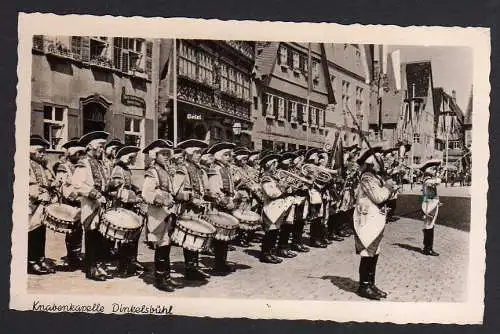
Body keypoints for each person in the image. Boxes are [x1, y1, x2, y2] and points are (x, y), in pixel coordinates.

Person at [353, 146, 397, 300]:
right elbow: (378, 197)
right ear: (372, 162)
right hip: (367, 219)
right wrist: (388, 187)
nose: (383, 161)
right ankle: (363, 286)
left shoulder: (377, 177)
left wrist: (388, 185)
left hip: (375, 217)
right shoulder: (367, 177)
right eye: (380, 158)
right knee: (368, 251)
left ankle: (371, 283)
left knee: (375, 251)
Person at [141, 139, 184, 291]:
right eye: (163, 154)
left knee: (166, 245)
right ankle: (160, 279)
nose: (166, 156)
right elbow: (146, 193)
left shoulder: (166, 170)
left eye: (168, 153)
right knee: (161, 245)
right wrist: (163, 200)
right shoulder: (152, 171)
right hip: (158, 213)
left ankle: (165, 276)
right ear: (155, 155)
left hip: (168, 212)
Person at [71, 131, 112, 281]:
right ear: (91, 147)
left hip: (101, 205)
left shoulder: (99, 163)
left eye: (103, 147)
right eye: (100, 146)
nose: (102, 149)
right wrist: (95, 194)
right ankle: (91, 269)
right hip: (90, 205)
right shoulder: (84, 163)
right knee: (92, 236)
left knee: (100, 237)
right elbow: (77, 185)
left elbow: (103, 183)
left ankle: (98, 265)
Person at [172, 139, 212, 281]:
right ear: (188, 154)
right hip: (187, 210)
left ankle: (194, 267)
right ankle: (190, 269)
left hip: (198, 210)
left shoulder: (199, 170)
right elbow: (175, 192)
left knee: (197, 238)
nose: (199, 155)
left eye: (199, 153)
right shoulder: (182, 169)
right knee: (190, 239)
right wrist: (190, 198)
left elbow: (203, 189)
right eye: (196, 153)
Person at [107, 145, 144, 278]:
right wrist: (132, 197)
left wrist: (138, 190)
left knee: (131, 237)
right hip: (121, 206)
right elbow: (115, 188)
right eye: (131, 157)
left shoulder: (126, 169)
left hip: (129, 206)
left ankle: (131, 263)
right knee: (124, 238)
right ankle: (123, 266)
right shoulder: (118, 169)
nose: (132, 160)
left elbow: (129, 185)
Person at [206, 142, 242, 274]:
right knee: (220, 237)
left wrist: (235, 196)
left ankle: (222, 263)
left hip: (228, 205)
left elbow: (231, 188)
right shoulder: (214, 169)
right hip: (218, 207)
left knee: (225, 238)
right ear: (219, 156)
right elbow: (215, 191)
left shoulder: (226, 168)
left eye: (229, 155)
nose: (229, 157)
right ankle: (218, 265)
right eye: (226, 155)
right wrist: (227, 202)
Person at [53, 138, 86, 271]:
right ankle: (72, 258)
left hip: (79, 201)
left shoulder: (79, 166)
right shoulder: (63, 167)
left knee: (79, 230)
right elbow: (60, 185)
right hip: (70, 202)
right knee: (72, 230)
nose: (80, 157)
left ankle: (76, 255)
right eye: (78, 154)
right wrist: (71, 195)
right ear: (73, 154)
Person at [28, 135, 57, 275]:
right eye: (40, 151)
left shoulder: (42, 165)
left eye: (43, 151)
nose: (43, 154)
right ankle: (31, 262)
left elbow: (47, 181)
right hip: (31, 204)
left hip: (43, 203)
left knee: (41, 232)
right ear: (32, 151)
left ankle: (40, 258)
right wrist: (39, 194)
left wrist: (53, 184)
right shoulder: (25, 163)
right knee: (32, 232)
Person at [259, 153, 295, 263]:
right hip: (270, 208)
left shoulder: (273, 177)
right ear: (269, 165)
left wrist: (287, 185)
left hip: (277, 207)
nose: (276, 166)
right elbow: (272, 193)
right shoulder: (266, 178)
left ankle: (270, 252)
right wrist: (284, 186)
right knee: (270, 232)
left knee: (274, 232)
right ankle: (265, 254)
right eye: (274, 164)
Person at [276, 152, 299, 258]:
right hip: (281, 201)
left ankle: (284, 247)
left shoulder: (290, 171)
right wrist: (289, 185)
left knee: (288, 225)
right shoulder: (278, 172)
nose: (290, 160)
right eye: (287, 159)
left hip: (290, 200)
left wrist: (297, 185)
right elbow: (280, 187)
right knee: (281, 226)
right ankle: (280, 248)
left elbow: (295, 186)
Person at [304, 148, 327, 248]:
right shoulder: (309, 167)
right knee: (315, 217)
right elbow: (311, 181)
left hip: (318, 194)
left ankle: (318, 237)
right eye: (317, 156)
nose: (319, 158)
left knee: (319, 217)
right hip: (313, 195)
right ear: (313, 157)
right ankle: (314, 240)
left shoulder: (315, 167)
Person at [420, 159, 442, 256]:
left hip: (432, 204)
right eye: (432, 168)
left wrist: (437, 202)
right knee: (429, 226)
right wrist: (439, 175)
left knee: (430, 226)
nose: (434, 170)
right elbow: (437, 182)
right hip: (429, 206)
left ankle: (427, 247)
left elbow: (433, 192)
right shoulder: (427, 180)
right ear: (427, 170)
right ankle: (428, 248)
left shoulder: (429, 179)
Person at [289, 149, 310, 253]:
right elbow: (292, 185)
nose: (302, 160)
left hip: (303, 198)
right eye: (299, 158)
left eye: (302, 158)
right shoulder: (291, 171)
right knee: (295, 222)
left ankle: (298, 242)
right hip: (296, 198)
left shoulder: (303, 171)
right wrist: (301, 186)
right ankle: (294, 243)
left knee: (301, 221)